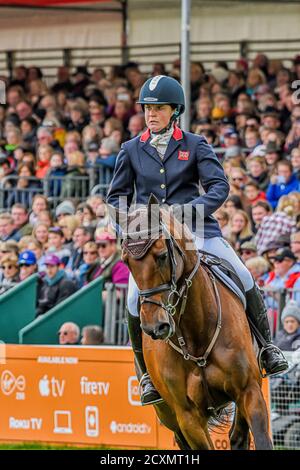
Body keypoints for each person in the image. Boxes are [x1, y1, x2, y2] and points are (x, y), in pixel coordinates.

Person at [107, 75, 288, 405]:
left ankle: (266, 348)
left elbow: (219, 187)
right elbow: (116, 197)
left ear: (174, 111)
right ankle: (145, 374)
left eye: (158, 108)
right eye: (147, 109)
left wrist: (185, 213)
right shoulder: (130, 149)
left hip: (197, 232)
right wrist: (132, 223)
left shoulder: (195, 144)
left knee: (244, 275)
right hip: (151, 239)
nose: (151, 114)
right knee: (135, 299)